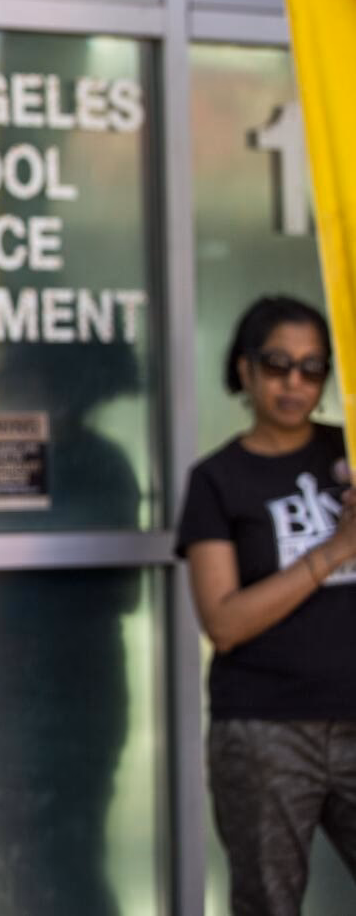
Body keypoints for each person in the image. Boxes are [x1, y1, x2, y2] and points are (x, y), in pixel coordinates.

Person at [176, 295, 356, 916]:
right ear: (244, 369)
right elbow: (223, 624)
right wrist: (336, 550)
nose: (294, 382)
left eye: (313, 368)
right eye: (278, 363)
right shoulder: (217, 480)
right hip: (266, 729)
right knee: (268, 905)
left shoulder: (353, 457)